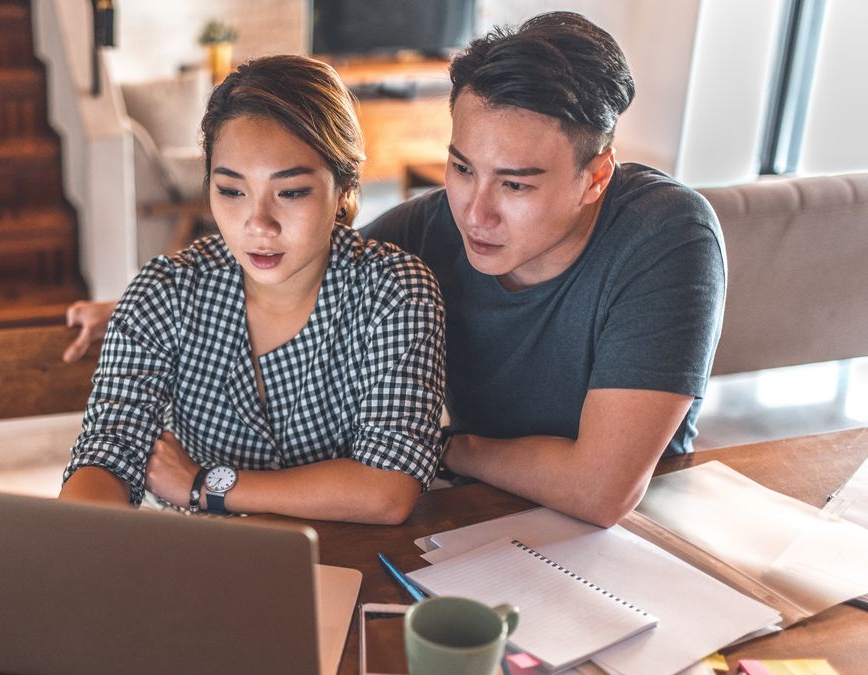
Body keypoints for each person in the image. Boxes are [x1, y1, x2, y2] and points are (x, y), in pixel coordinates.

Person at [62, 13, 726, 528]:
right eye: (462, 167)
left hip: (635, 537)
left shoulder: (665, 234)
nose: (475, 212)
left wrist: (445, 449)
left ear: (595, 177)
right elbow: (294, 264)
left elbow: (601, 490)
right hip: (471, 522)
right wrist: (132, 309)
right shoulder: (429, 230)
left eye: (516, 186)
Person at [58, 55, 446, 524]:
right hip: (208, 564)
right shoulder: (164, 293)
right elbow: (108, 450)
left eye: (291, 192)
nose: (258, 225)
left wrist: (205, 485)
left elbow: (388, 488)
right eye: (231, 191)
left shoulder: (395, 292)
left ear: (344, 186)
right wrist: (74, 543)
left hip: (355, 560)